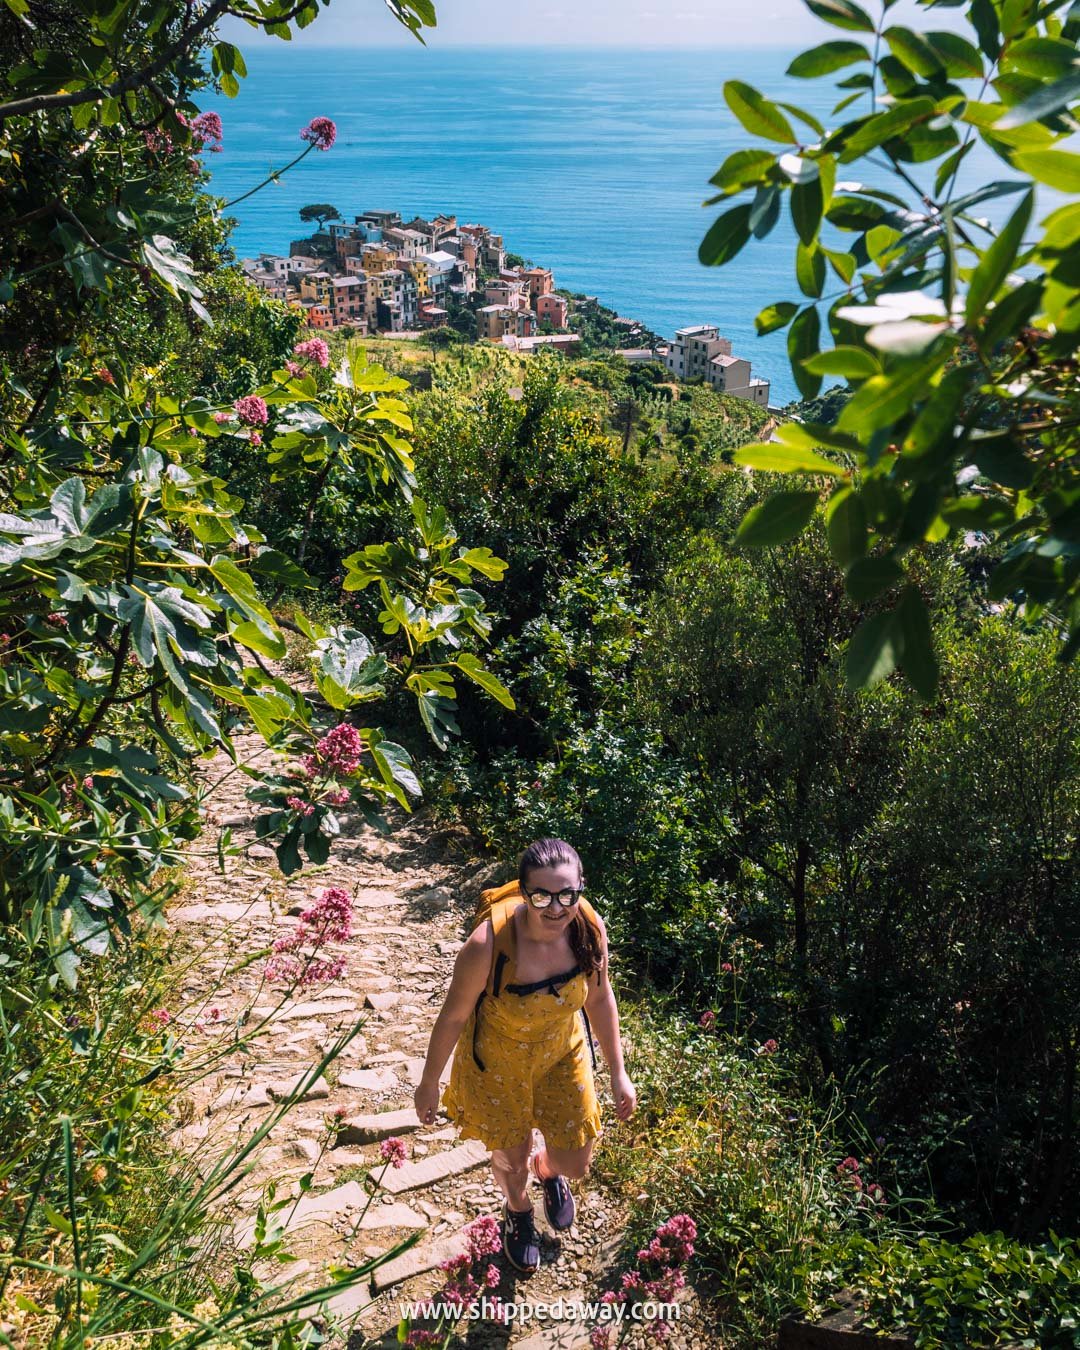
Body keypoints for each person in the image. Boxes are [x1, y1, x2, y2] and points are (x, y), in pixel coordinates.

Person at [413, 836, 636, 1273]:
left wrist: (618, 1072)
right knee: (510, 1161)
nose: (555, 907)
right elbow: (453, 1018)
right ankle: (517, 1210)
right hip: (498, 1064)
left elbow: (600, 998)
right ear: (524, 891)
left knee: (576, 1161)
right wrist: (428, 1082)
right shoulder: (487, 945)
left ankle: (547, 1169)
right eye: (542, 895)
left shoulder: (588, 928)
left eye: (567, 894)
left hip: (561, 1053)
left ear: (580, 888)